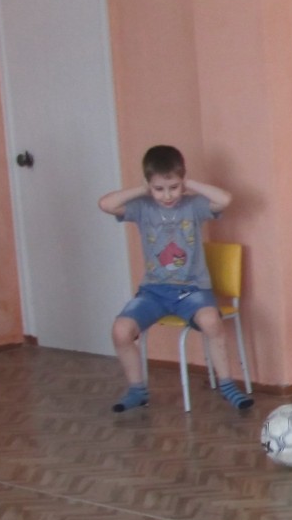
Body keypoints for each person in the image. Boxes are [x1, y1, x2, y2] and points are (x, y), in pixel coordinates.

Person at [98, 144, 253, 413]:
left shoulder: (193, 206)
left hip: (193, 290)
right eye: (159, 189)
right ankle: (137, 390)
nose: (167, 195)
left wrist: (188, 184)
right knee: (120, 330)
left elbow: (225, 200)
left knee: (211, 321)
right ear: (149, 185)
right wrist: (143, 189)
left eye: (174, 187)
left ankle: (227, 385)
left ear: (182, 182)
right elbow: (106, 204)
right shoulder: (142, 207)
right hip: (153, 291)